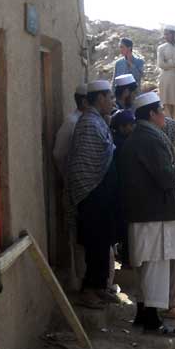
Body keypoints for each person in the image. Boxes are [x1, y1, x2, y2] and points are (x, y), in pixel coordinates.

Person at [117, 92, 175, 335]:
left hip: (145, 213)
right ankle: (152, 322)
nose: (164, 115)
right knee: (156, 266)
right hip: (154, 214)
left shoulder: (139, 137)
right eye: (161, 111)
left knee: (147, 268)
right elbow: (165, 177)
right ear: (151, 113)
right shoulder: (150, 139)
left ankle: (143, 315)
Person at [67, 80, 119, 309]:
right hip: (91, 193)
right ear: (99, 99)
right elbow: (83, 164)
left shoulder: (98, 121)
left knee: (103, 242)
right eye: (109, 98)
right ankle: (89, 290)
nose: (112, 102)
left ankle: (99, 287)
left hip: (101, 194)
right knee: (94, 244)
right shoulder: (88, 123)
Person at [53, 83, 88, 289]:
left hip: (82, 188)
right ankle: (78, 283)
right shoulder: (72, 123)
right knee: (77, 239)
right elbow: (58, 154)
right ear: (84, 101)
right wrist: (69, 177)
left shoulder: (83, 121)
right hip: (75, 188)